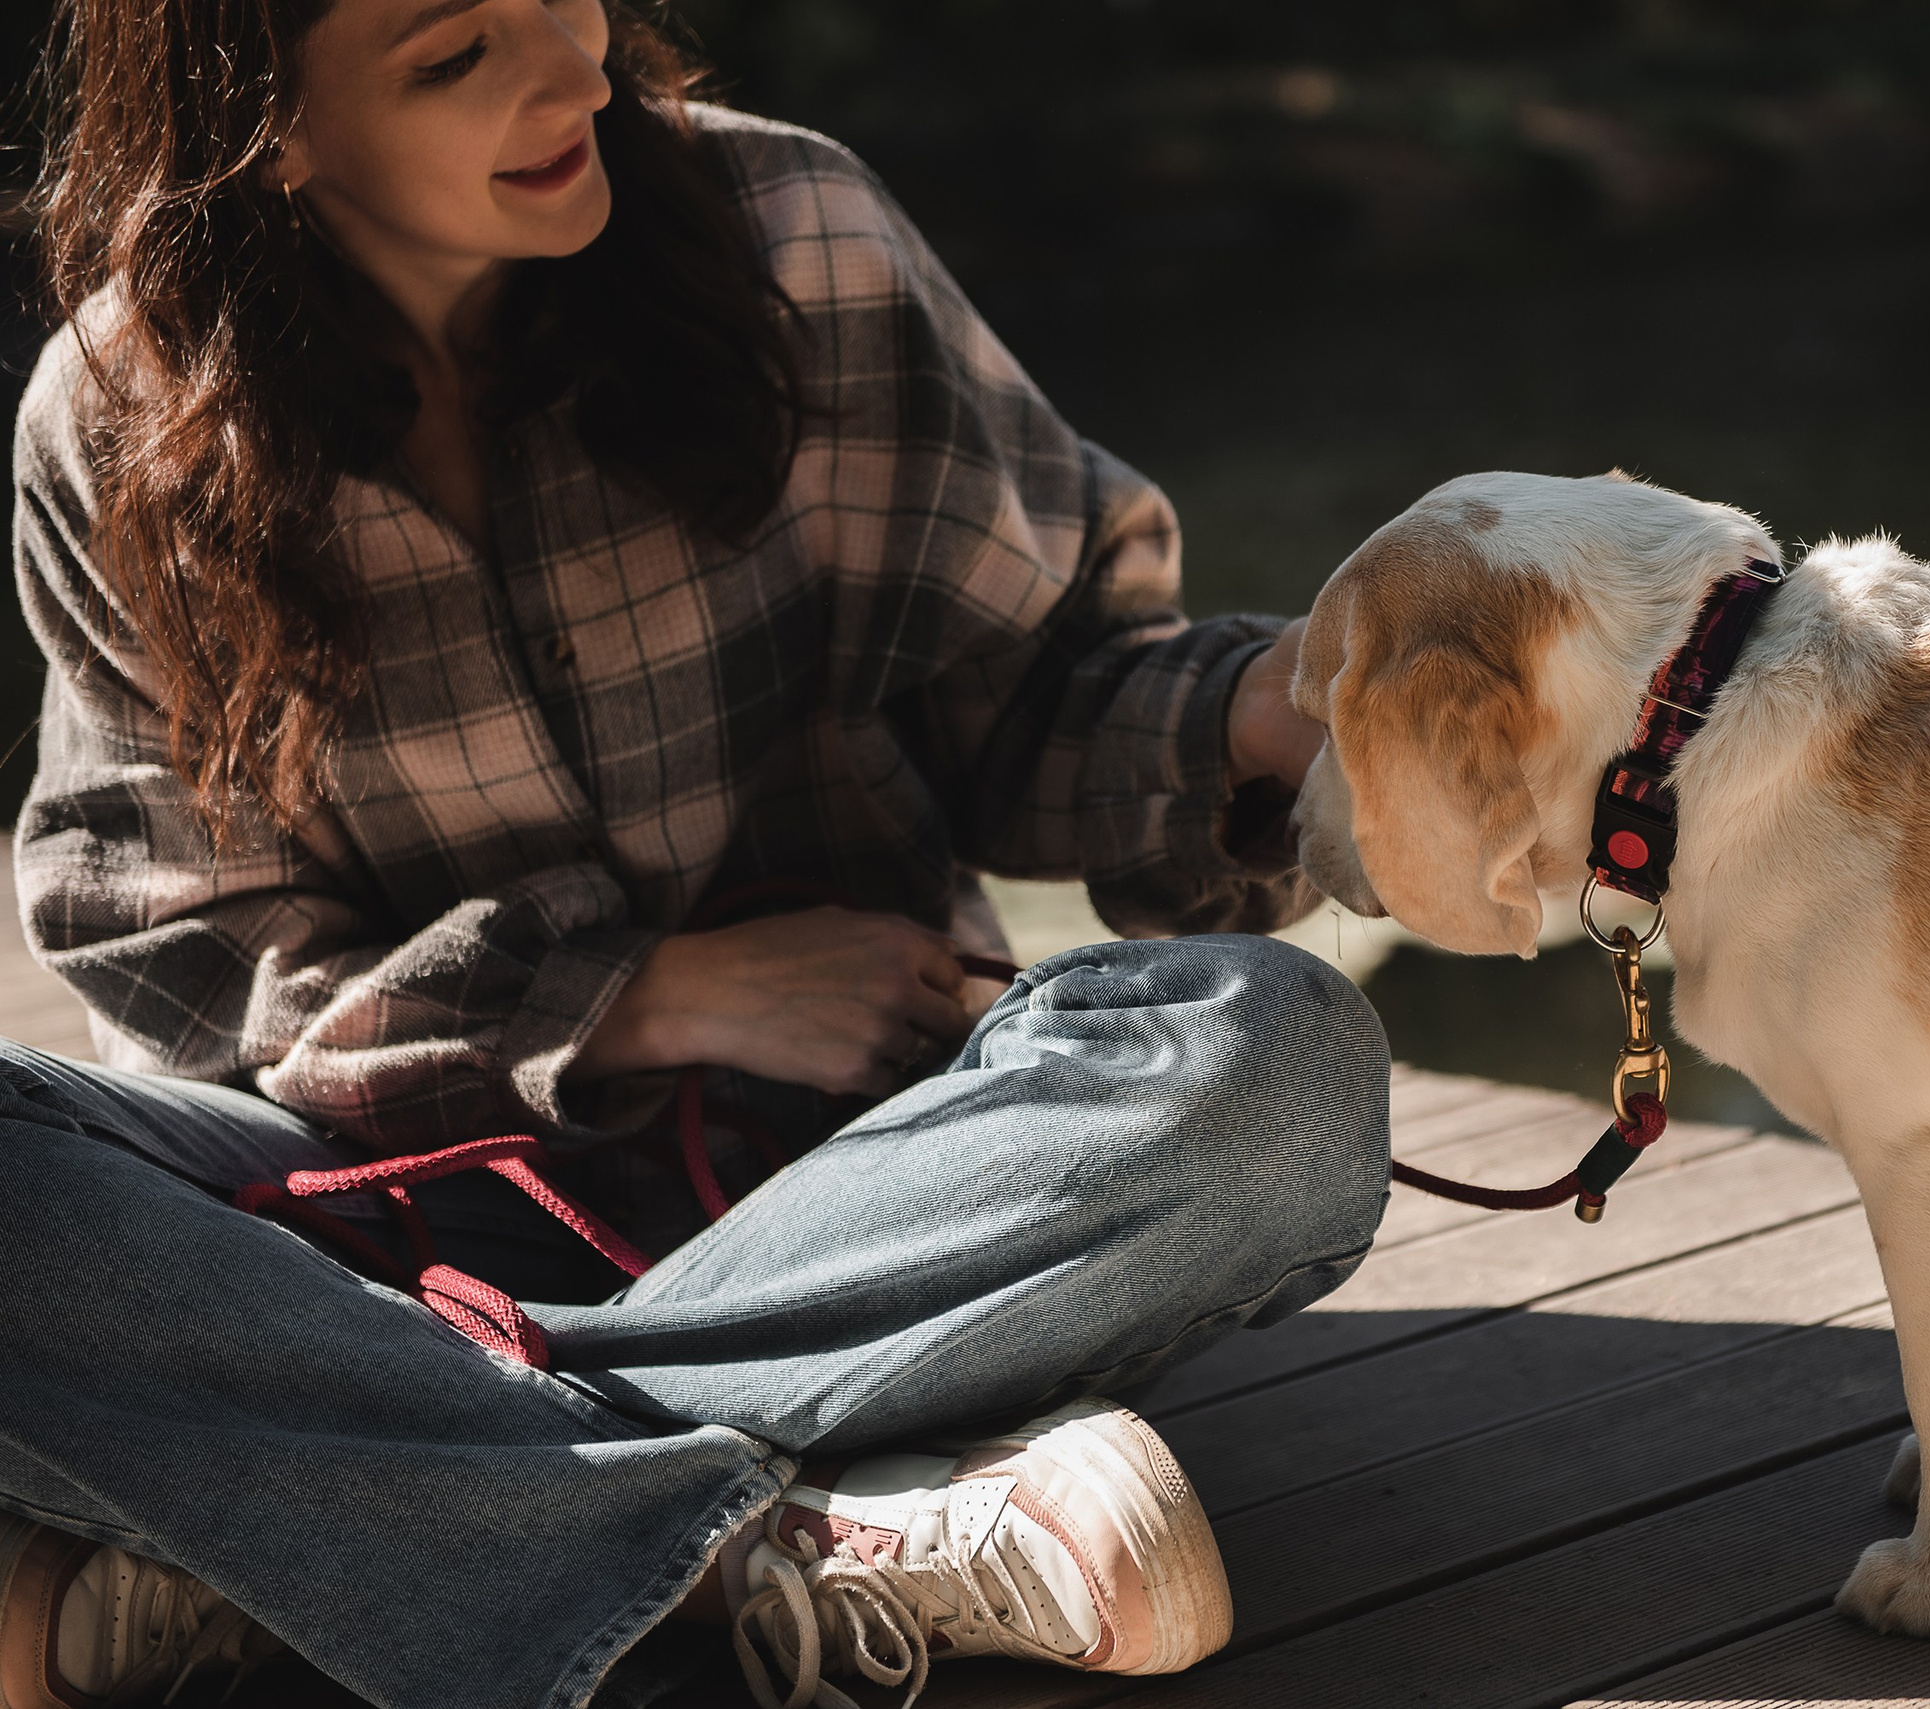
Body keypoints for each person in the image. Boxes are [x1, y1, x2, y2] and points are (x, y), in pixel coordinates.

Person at [0, 0, 1392, 1704]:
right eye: (456, 58)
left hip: (877, 1190)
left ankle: (350, 1498)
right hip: (387, 1205)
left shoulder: (795, 234)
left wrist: (1265, 709)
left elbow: (1037, 696)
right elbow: (178, 957)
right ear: (267, 125)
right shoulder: (124, 415)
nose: (576, 74)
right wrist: (632, 1001)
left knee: (1278, 1061)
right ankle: (759, 1532)